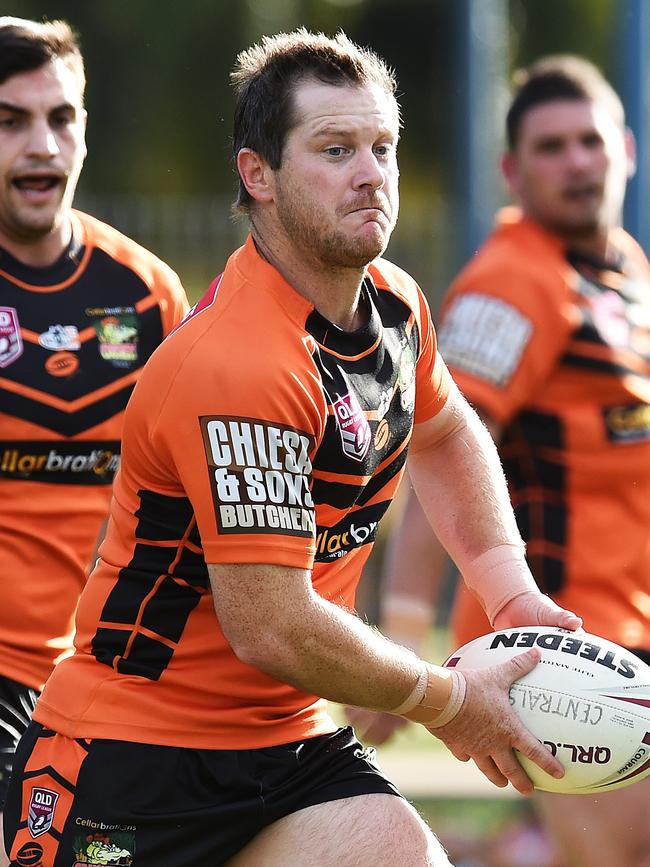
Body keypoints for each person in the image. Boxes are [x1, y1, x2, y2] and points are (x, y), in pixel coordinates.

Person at [4, 30, 582, 867]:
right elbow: (272, 625)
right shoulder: (241, 362)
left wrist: (510, 591)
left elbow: (448, 431)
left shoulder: (394, 304)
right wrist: (447, 699)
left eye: (382, 146)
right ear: (257, 176)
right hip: (133, 759)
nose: (371, 172)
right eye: (336, 149)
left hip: (292, 742)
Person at [348, 55, 650, 867]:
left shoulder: (624, 271)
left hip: (630, 633)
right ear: (513, 171)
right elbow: (441, 451)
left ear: (624, 147)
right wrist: (407, 631)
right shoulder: (511, 285)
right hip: (562, 650)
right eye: (551, 147)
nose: (577, 161)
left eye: (590, 140)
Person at [0, 16, 189, 864]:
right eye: (9, 120)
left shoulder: (149, 294)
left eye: (61, 117)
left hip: (120, 680)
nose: (42, 144)